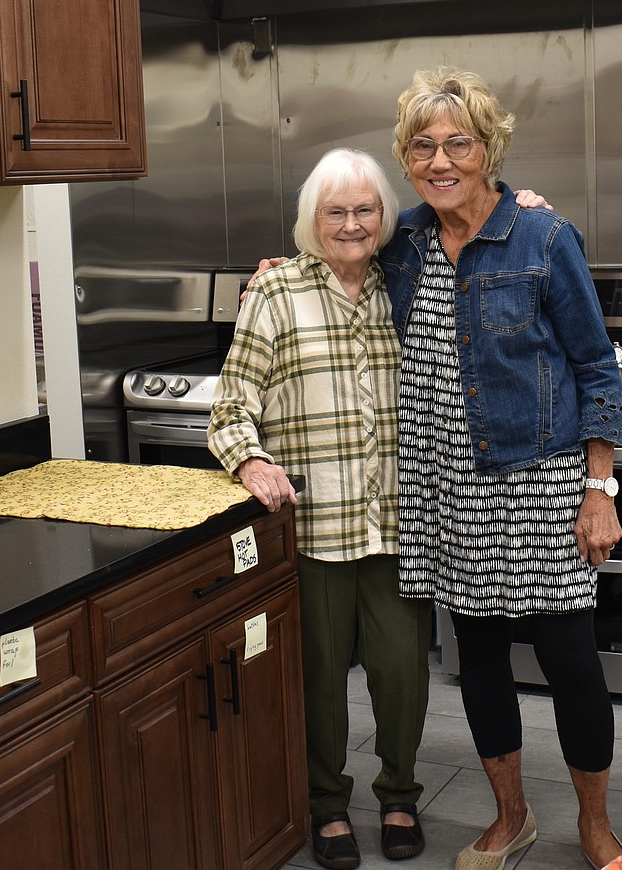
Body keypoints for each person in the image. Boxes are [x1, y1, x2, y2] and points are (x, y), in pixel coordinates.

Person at [378, 66, 622, 870]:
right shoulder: (405, 242)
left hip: (539, 481)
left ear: (489, 148)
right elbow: (337, 256)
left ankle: (594, 822)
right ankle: (511, 815)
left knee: (569, 661)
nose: (441, 159)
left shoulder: (544, 237)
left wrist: (600, 490)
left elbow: (597, 368)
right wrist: (278, 271)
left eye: (459, 143)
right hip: (446, 487)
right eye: (424, 146)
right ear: (407, 157)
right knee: (478, 659)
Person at [209, 148, 431, 869]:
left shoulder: (407, 283)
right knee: (320, 678)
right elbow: (232, 405)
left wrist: (527, 203)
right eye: (335, 211)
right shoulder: (274, 294)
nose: (352, 223)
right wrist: (251, 460)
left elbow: (471, 213)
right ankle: (327, 806)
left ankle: (399, 793)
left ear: (383, 217)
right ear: (312, 220)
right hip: (314, 525)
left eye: (365, 209)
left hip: (397, 520)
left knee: (404, 673)